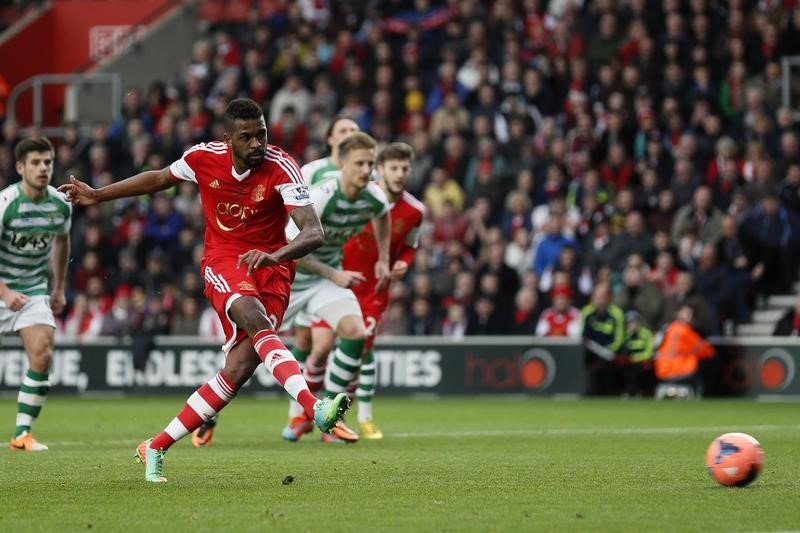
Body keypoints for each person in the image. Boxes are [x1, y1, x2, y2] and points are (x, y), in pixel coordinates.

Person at [58, 98, 349, 482]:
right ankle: (314, 407)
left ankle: (155, 445)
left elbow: (314, 231)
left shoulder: (281, 166)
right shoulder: (202, 158)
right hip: (225, 259)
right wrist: (98, 194)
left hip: (273, 268)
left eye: (261, 134)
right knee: (253, 315)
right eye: (247, 137)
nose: (257, 144)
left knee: (239, 368)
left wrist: (275, 255)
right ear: (228, 139)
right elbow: (159, 178)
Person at [280, 132, 391, 443]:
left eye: (371, 163)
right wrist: (331, 272)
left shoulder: (374, 196)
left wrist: (384, 259)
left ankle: (329, 415)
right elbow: (286, 245)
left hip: (322, 281)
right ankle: (208, 417)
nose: (366, 169)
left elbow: (383, 216)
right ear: (342, 163)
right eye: (359, 163)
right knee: (243, 357)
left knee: (355, 331)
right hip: (287, 279)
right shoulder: (322, 195)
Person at [339, 142, 425, 439]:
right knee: (321, 347)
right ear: (380, 170)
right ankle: (304, 414)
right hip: (341, 282)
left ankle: (363, 416)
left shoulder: (415, 211)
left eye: (404, 168)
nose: (400, 174)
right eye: (394, 168)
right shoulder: (361, 197)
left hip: (375, 289)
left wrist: (403, 262)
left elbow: (411, 247)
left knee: (364, 347)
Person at [4, 137, 71, 452]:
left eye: (47, 162)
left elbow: (61, 242)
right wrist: (4, 292)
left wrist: (58, 287)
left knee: (42, 352)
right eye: (35, 162)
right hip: (2, 286)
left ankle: (22, 434)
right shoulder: (5, 204)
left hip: (31, 290)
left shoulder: (60, 204)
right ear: (20, 168)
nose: (43, 168)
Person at [654, 304, 715, 398]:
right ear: (677, 314)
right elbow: (707, 351)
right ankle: (699, 397)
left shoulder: (667, 328)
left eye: (689, 313)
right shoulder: (685, 330)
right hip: (680, 369)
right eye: (686, 313)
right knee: (706, 366)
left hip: (662, 370)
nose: (687, 316)